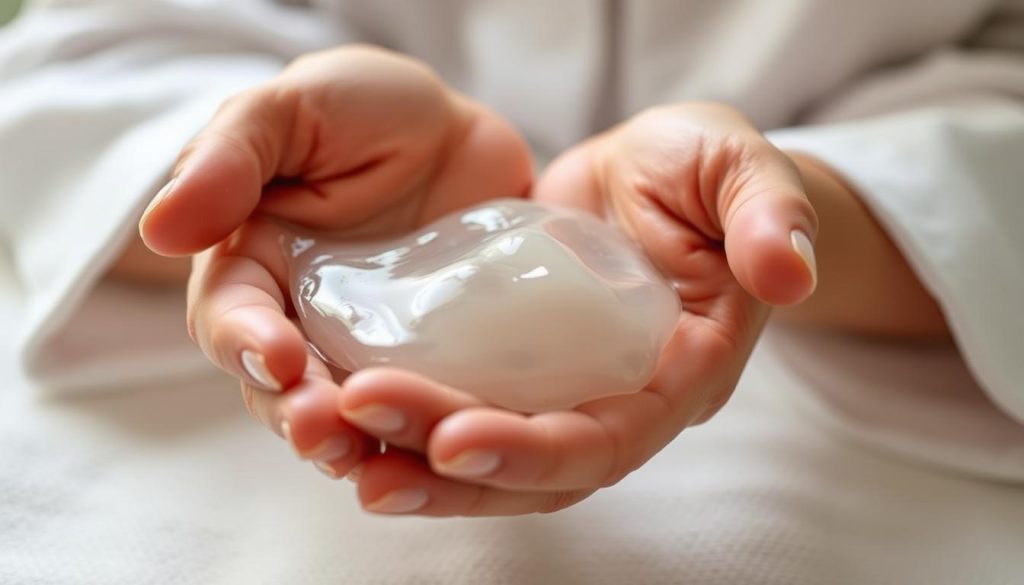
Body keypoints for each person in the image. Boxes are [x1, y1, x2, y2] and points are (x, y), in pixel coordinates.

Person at [1, 0, 1023, 578]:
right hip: (185, 471)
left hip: (862, 458)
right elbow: (78, 63)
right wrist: (255, 163)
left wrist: (807, 211)